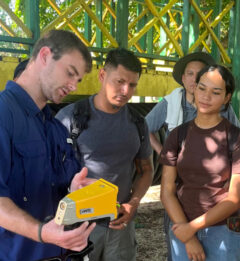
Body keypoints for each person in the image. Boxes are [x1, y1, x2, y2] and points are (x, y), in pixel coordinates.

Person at [0, 30, 97, 260]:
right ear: (45, 55)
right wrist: (41, 232)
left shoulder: (56, 129)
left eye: (78, 80)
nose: (73, 86)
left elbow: (51, 191)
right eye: (70, 73)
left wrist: (73, 192)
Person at [55, 48, 153, 261]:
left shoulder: (137, 123)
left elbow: (146, 169)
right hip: (80, 227)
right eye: (119, 81)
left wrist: (132, 204)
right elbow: (50, 172)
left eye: (132, 85)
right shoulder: (70, 119)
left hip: (120, 225)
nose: (125, 90)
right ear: (102, 75)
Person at [145, 51, 240, 261]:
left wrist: (192, 228)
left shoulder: (234, 135)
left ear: (226, 98)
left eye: (215, 92)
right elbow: (167, 192)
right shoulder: (174, 121)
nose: (206, 96)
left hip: (220, 226)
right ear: (189, 83)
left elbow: (235, 197)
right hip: (181, 211)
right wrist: (165, 154)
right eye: (200, 86)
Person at [145, 52, 240, 155]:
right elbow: (144, 129)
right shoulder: (171, 103)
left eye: (199, 74)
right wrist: (164, 154)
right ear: (183, 79)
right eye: (190, 74)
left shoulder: (221, 105)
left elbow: (238, 139)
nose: (194, 79)